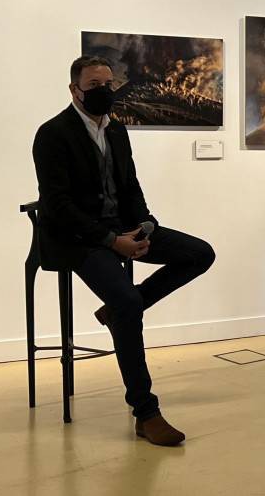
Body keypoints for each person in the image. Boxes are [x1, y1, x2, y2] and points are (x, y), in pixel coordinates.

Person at [32, 55, 215, 446]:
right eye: (94, 85)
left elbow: (130, 186)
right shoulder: (52, 134)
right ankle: (145, 411)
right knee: (129, 303)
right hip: (77, 239)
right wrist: (112, 241)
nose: (104, 91)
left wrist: (145, 226)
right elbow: (58, 206)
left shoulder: (116, 131)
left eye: (108, 84)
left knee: (200, 253)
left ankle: (118, 311)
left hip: (121, 228)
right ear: (74, 90)